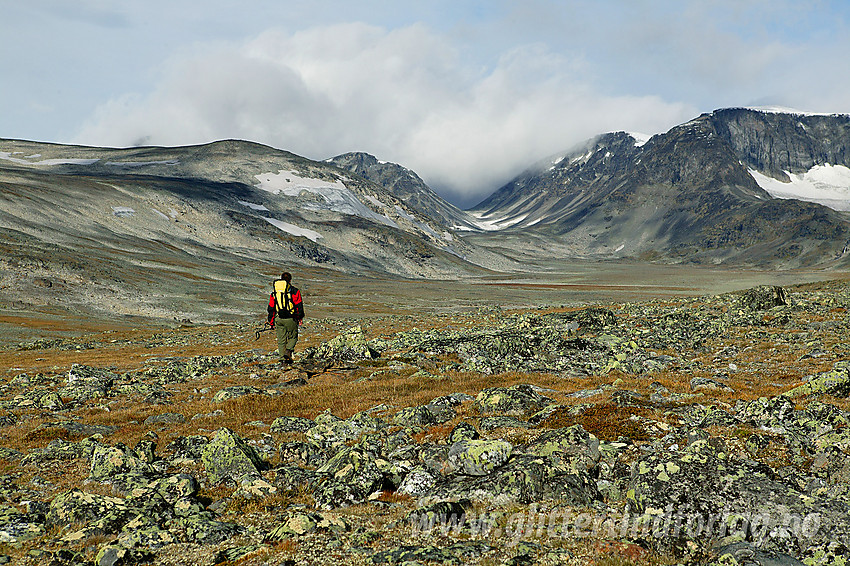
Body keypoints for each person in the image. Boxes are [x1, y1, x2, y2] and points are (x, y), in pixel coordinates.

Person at [267, 272, 304, 364]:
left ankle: (282, 359)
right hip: (291, 318)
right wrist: (300, 318)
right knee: (293, 337)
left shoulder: (274, 293)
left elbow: (271, 308)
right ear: (290, 280)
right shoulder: (295, 291)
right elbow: (299, 305)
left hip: (278, 319)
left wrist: (271, 322)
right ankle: (288, 351)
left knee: (281, 340)